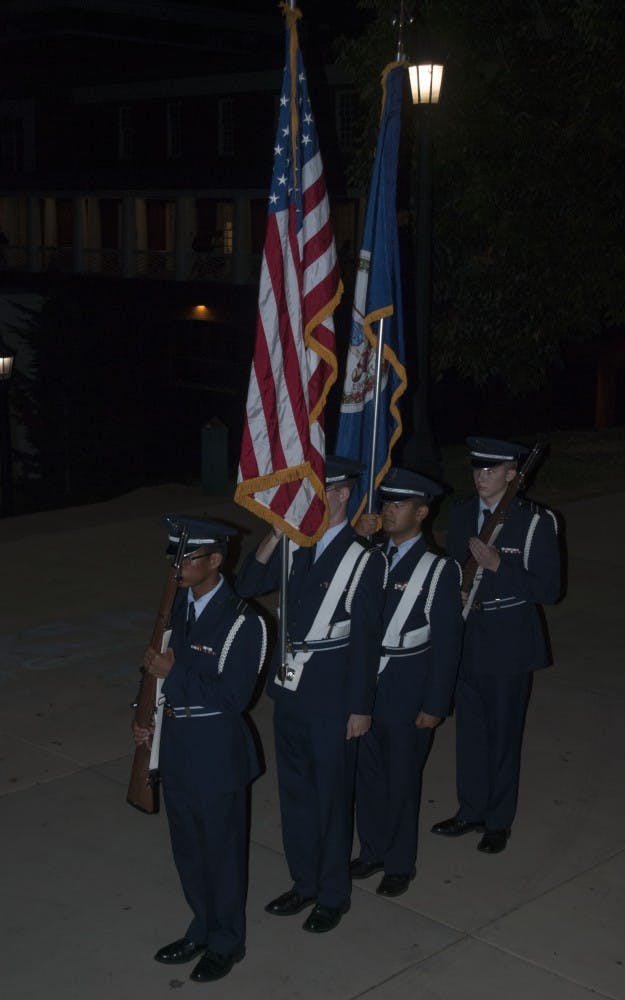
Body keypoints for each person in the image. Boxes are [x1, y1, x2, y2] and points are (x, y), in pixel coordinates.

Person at [236, 456, 387, 933]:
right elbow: (246, 585)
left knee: (332, 798)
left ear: (342, 495)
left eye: (320, 492)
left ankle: (333, 893)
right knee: (295, 794)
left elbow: (367, 640)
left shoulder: (365, 558)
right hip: (290, 691)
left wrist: (361, 707)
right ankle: (303, 882)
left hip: (333, 697)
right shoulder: (295, 546)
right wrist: (276, 535)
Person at [132, 516, 266, 983]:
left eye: (188, 557)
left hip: (216, 752)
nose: (179, 566)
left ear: (216, 560)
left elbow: (234, 696)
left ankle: (227, 940)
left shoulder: (244, 621)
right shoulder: (177, 609)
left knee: (222, 854)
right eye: (176, 557)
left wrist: (175, 673)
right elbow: (157, 672)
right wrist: (146, 720)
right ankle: (201, 926)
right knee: (188, 851)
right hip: (177, 746)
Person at [431, 437, 561, 853]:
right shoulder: (465, 512)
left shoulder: (536, 521)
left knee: (503, 736)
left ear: (512, 474)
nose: (481, 477)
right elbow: (454, 568)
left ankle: (498, 821)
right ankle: (470, 810)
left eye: (492, 470)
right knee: (469, 734)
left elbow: (549, 589)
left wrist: (498, 566)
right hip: (467, 639)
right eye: (477, 469)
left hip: (508, 644)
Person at [350, 468, 463, 896]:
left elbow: (448, 645)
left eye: (398, 505)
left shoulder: (438, 570)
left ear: (422, 512)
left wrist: (435, 704)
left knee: (401, 780)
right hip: (366, 688)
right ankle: (372, 850)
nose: (388, 511)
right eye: (386, 503)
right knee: (368, 777)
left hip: (407, 690)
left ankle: (399, 862)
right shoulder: (369, 557)